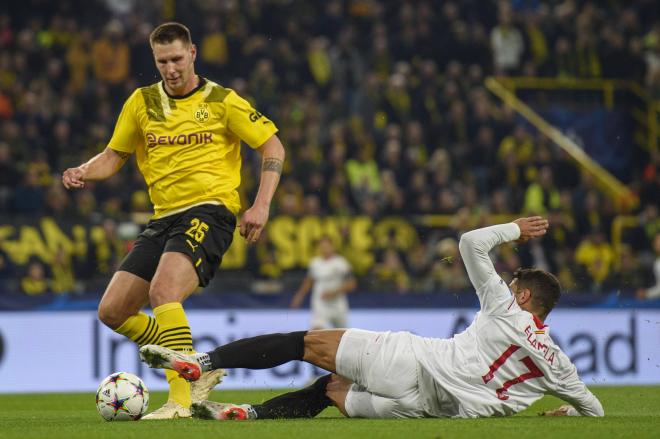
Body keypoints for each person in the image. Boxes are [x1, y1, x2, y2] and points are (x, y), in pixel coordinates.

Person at [139, 217, 604, 420]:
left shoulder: (504, 307)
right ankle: (250, 414)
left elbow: (469, 243)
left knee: (306, 342)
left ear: (522, 295)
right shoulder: (559, 364)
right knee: (329, 390)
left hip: (417, 363)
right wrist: (568, 408)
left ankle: (203, 362)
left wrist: (514, 230)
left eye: (512, 280)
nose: (506, 283)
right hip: (426, 410)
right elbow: (594, 409)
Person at [61, 22, 285, 419]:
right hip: (163, 218)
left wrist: (261, 205)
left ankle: (182, 401)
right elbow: (115, 155)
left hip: (210, 211)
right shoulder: (141, 102)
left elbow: (272, 145)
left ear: (193, 53)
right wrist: (84, 169)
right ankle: (193, 366)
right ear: (154, 60)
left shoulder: (222, 100)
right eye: (162, 61)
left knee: (164, 293)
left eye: (178, 59)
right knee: (112, 311)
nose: (171, 68)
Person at [290, 235, 357, 329]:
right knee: (316, 332)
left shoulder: (341, 263)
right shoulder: (315, 263)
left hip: (338, 305)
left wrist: (334, 292)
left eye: (327, 246)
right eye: (322, 246)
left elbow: (352, 284)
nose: (324, 249)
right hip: (320, 304)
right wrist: (299, 296)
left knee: (341, 334)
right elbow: (309, 281)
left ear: (332, 246)